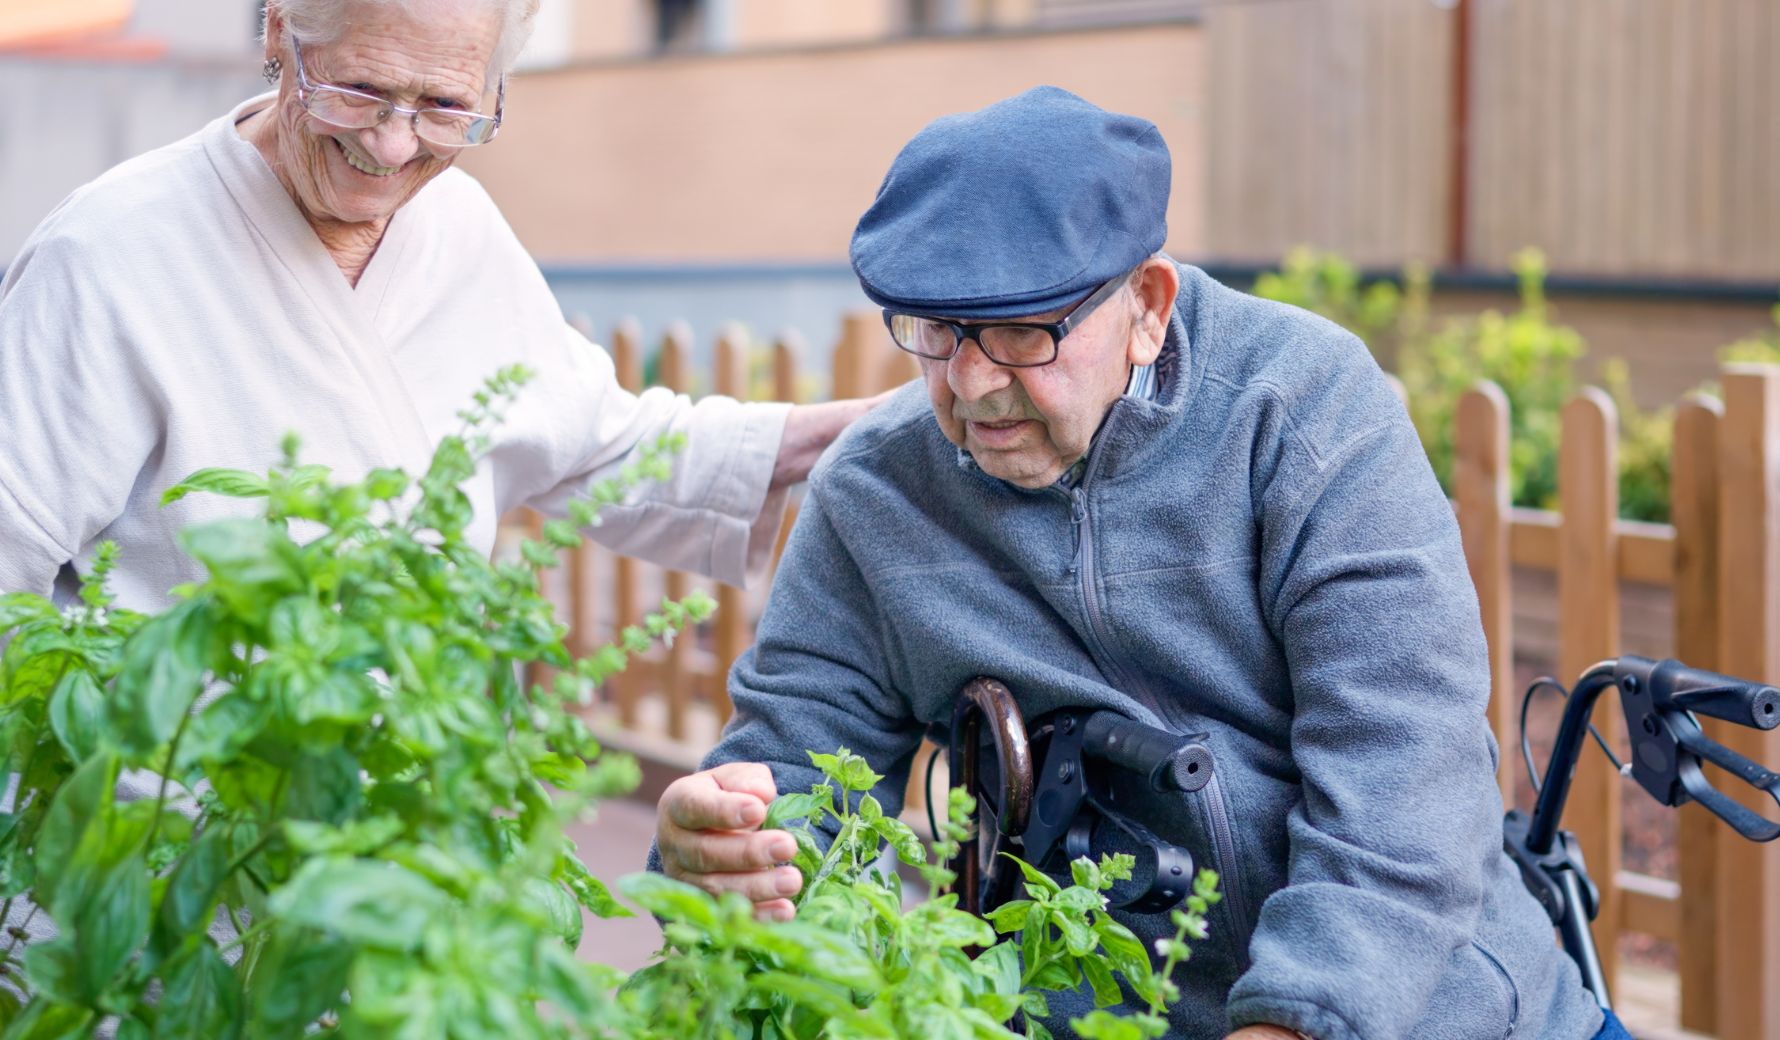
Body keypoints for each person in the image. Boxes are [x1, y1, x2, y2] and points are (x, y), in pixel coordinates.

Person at [654, 88, 1625, 1040]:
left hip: (1434, 1011)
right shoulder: (877, 490)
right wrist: (725, 843)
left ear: (1148, 304)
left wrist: (1298, 1019)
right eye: (934, 329)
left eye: (1019, 331)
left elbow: (1404, 773)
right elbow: (794, 770)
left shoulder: (1302, 411)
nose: (970, 382)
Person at [0, 0, 876, 612]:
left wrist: (861, 427)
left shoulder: (459, 229)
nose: (390, 145)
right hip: (165, 841)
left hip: (410, 830)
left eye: (446, 108)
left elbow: (607, 446)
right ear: (280, 34)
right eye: (357, 90)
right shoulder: (107, 253)